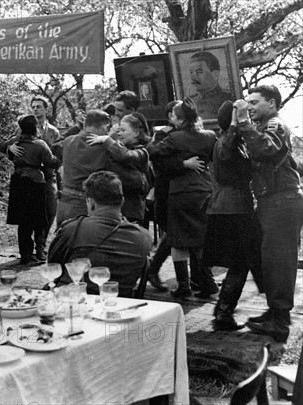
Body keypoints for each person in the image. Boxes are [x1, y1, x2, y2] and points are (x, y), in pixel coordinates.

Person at [233, 85, 303, 343]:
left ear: (272, 104)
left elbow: (265, 149)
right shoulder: (264, 126)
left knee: (280, 260)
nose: (249, 107)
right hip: (272, 200)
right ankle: (275, 311)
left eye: (254, 102)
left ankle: (280, 322)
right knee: (269, 259)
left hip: (282, 200)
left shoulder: (276, 125)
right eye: (247, 103)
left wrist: (243, 121)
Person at [147, 98, 218, 299]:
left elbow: (153, 152)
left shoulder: (175, 138)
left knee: (178, 240)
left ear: (179, 119)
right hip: (204, 191)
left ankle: (184, 285)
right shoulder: (210, 136)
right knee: (201, 240)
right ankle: (208, 281)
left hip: (181, 194)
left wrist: (179, 161)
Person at [202, 101, 262, 331]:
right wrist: (236, 124)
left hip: (233, 206)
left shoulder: (232, 140)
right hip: (233, 208)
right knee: (241, 262)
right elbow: (226, 153)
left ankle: (223, 309)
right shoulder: (226, 142)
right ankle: (224, 312)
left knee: (242, 261)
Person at [49, 171, 152, 297]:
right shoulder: (144, 237)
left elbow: (54, 267)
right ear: (122, 201)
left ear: (90, 203)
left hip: (73, 303)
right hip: (118, 305)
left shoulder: (73, 230)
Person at [0, 96, 61, 261]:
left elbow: (53, 155)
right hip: (31, 179)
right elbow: (3, 144)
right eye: (33, 106)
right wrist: (9, 147)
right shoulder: (23, 130)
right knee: (30, 215)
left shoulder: (53, 131)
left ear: (46, 109)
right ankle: (29, 252)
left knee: (49, 212)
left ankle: (39, 247)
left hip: (47, 177)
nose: (35, 109)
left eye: (39, 106)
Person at [86, 112, 151, 225]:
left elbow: (125, 156)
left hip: (132, 211)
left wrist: (107, 139)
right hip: (117, 210)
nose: (120, 134)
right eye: (118, 130)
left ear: (136, 133)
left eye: (123, 130)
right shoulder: (117, 148)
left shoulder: (142, 152)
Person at [56, 110, 112, 227]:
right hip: (85, 204)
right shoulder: (103, 146)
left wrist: (75, 127)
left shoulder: (67, 141)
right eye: (108, 127)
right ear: (105, 126)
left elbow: (54, 146)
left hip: (64, 201)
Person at [187, 51, 232, 120]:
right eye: (191, 72)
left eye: (199, 72)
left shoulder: (227, 99)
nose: (193, 77)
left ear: (215, 74)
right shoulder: (190, 102)